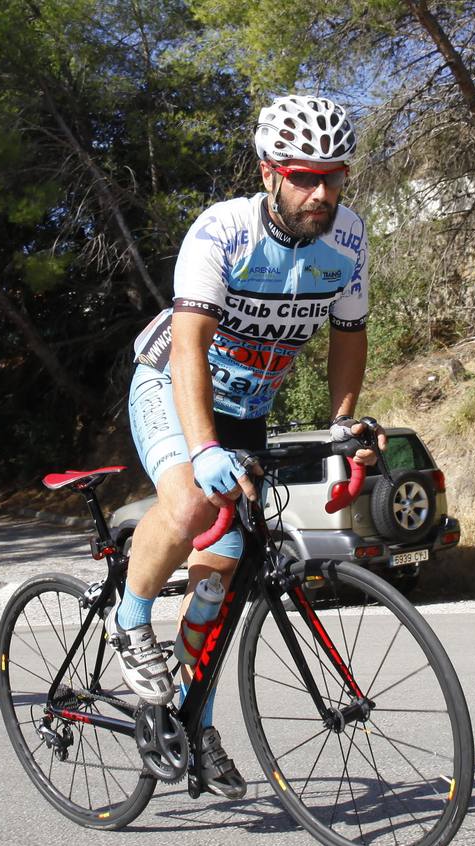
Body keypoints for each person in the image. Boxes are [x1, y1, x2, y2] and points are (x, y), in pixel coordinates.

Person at [110, 95, 382, 798]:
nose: (320, 192)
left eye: (333, 176)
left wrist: (343, 424)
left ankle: (186, 718)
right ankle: (129, 621)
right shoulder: (221, 232)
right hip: (171, 383)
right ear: (269, 173)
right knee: (194, 504)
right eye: (302, 176)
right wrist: (201, 449)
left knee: (221, 573)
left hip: (249, 409)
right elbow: (191, 344)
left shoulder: (346, 239)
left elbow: (347, 338)